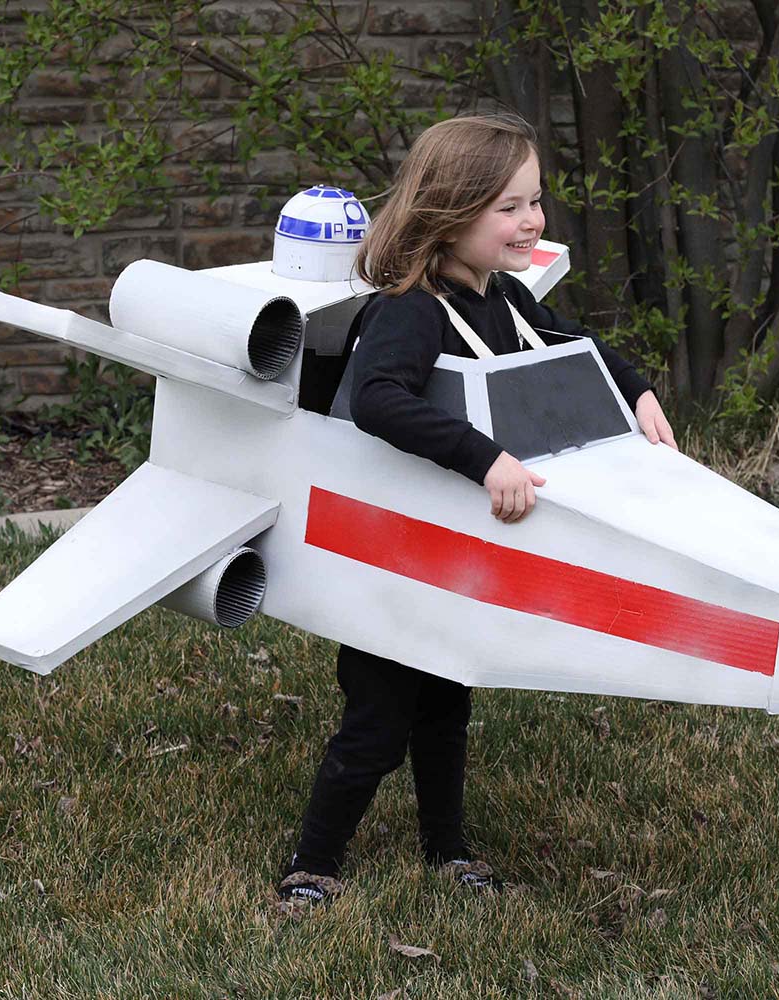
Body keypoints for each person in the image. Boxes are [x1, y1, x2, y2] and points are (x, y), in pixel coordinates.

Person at [277, 113, 677, 906]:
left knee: (448, 706)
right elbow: (381, 400)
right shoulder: (410, 309)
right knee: (377, 723)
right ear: (448, 212)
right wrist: (484, 455)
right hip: (391, 558)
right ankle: (312, 865)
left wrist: (636, 389)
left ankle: (448, 849)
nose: (532, 221)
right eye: (509, 207)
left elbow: (581, 344)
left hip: (452, 556)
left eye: (536, 201)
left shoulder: (507, 295)